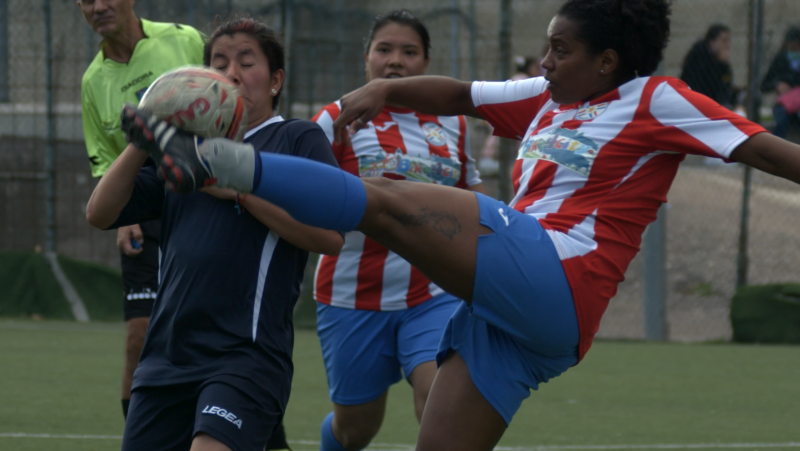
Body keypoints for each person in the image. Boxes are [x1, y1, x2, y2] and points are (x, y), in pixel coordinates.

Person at [121, 0, 800, 449]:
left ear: (607, 62)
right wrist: (385, 89)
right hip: (524, 323)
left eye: (559, 50)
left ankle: (213, 162)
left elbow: (771, 152)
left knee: (386, 200)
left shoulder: (658, 99)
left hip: (558, 269)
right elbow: (459, 94)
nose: (544, 62)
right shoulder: (549, 97)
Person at [86, 18, 343, 451]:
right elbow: (99, 212)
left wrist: (239, 190)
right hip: (166, 355)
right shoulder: (182, 151)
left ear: (276, 80)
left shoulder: (295, 137)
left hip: (244, 355)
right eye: (219, 64)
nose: (232, 74)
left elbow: (330, 236)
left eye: (247, 62)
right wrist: (143, 140)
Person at [310, 10, 485, 451]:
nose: (395, 61)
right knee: (355, 430)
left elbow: (472, 195)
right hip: (352, 296)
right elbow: (305, 191)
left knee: (440, 401)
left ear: (426, 62)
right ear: (366, 57)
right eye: (384, 49)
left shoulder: (455, 123)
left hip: (435, 292)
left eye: (409, 52)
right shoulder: (334, 119)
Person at [77, 0, 204, 422]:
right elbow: (103, 159)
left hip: (206, 195)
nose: (98, 6)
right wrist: (125, 215)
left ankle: (261, 433)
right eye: (86, 0)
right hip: (143, 206)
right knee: (139, 335)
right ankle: (140, 433)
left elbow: (229, 96)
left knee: (216, 327)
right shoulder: (93, 80)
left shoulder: (183, 39)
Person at [680, 23, 738, 109]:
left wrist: (724, 65)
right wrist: (721, 64)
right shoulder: (699, 55)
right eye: (723, 41)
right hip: (696, 99)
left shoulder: (720, 59)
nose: (727, 45)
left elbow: (726, 85)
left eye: (728, 41)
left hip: (715, 100)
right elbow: (707, 83)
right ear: (712, 41)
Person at [760, 26, 800, 139]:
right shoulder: (780, 60)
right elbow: (764, 86)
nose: (793, 51)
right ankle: (777, 145)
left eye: (796, 47)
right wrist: (777, 85)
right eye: (790, 47)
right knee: (781, 119)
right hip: (785, 104)